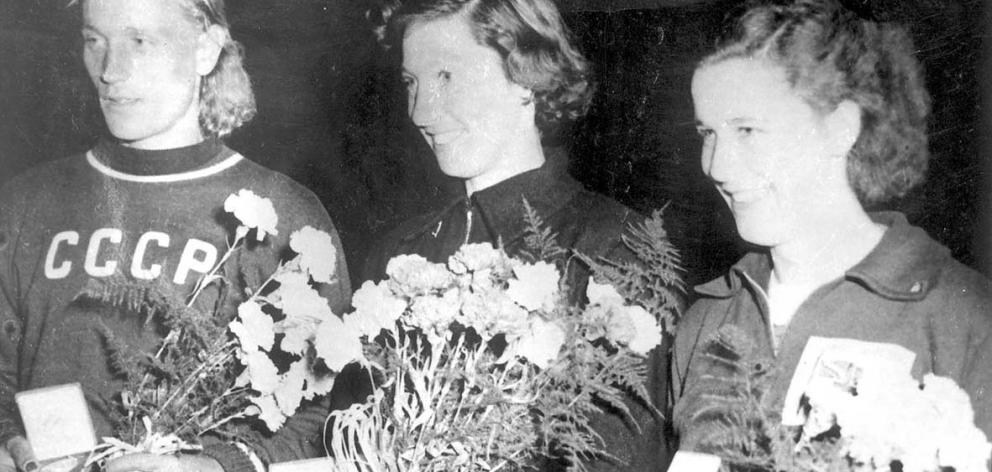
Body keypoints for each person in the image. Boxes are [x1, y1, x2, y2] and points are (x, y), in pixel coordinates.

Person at [0, 0, 352, 471]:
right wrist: (10, 443)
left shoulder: (284, 215)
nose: (110, 70)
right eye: (94, 40)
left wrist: (214, 466)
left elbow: (319, 417)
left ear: (206, 49)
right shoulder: (23, 203)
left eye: (139, 41)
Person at [351, 0, 672, 470]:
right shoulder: (396, 254)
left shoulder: (613, 249)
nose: (420, 111)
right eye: (411, 82)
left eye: (446, 76)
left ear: (526, 77)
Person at [670, 0, 992, 451]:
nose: (717, 166)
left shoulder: (962, 319)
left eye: (747, 130)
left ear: (840, 128)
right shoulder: (706, 323)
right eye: (708, 133)